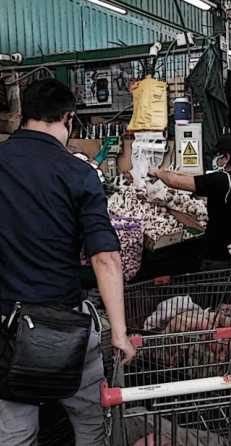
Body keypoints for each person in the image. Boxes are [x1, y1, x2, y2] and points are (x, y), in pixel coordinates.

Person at [0, 79, 136, 445]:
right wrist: (120, 333)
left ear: (21, 117)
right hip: (67, 326)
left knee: (15, 430)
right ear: (68, 119)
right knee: (89, 423)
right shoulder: (78, 173)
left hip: (8, 326)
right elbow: (105, 257)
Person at [150, 133, 231, 267]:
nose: (216, 160)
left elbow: (175, 182)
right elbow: (198, 177)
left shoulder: (223, 180)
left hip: (218, 255)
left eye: (218, 155)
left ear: (227, 157)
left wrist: (157, 172)